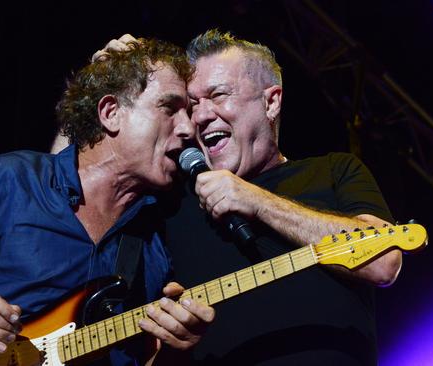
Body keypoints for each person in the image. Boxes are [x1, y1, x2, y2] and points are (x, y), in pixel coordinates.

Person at [0, 38, 214, 366]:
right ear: (111, 113)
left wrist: (175, 347)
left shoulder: (160, 235)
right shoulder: (9, 180)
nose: (187, 128)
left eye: (188, 113)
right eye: (169, 108)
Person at [86, 30, 402, 365]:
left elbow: (383, 263)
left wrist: (256, 201)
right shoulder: (172, 203)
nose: (201, 116)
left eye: (218, 95)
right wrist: (100, 84)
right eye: (193, 105)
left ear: (271, 101)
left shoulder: (335, 170)